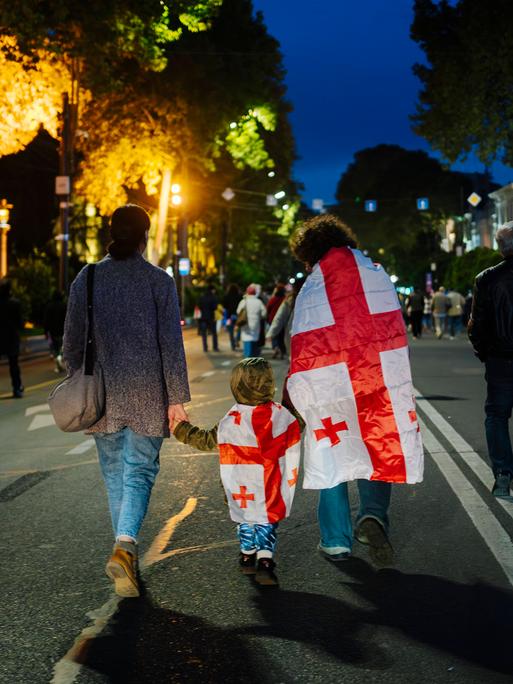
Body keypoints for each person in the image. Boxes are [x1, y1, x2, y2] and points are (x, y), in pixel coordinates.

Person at [63, 204, 190, 597]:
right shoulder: (158, 281)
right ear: (144, 237)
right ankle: (125, 546)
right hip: (149, 391)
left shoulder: (88, 277)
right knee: (139, 472)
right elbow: (171, 343)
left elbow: (71, 341)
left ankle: (124, 549)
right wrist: (178, 399)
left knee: (115, 474)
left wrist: (76, 379)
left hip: (101, 394)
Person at [286, 215, 423, 565]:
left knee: (330, 449)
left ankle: (335, 540)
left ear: (309, 252)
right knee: (376, 443)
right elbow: (395, 328)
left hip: (331, 384)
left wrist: (298, 393)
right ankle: (373, 515)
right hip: (376, 378)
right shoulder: (375, 273)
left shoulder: (313, 287)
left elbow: (303, 344)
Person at [172, 357, 301, 585]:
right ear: (270, 383)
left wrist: (182, 429)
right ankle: (265, 560)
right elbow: (299, 423)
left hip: (241, 489)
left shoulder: (231, 421)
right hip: (271, 487)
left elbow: (204, 440)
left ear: (236, 387)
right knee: (266, 522)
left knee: (245, 520)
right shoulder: (282, 416)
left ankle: (246, 555)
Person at [468, 222, 513, 498]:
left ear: (500, 248)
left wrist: (484, 352)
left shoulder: (486, 279)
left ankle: (503, 475)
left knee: (497, 416)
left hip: (501, 359)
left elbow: (477, 324)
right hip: (499, 356)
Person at [0, 279, 24, 398]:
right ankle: (16, 388)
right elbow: (20, 322)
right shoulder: (15, 303)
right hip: (12, 337)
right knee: (13, 365)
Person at [237, 285, 266, 358]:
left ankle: (247, 357)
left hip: (245, 324)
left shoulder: (243, 301)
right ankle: (253, 357)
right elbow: (264, 313)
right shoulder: (259, 302)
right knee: (254, 341)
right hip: (256, 324)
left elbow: (238, 311)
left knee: (247, 340)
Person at [44, 290, 67, 372]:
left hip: (53, 331)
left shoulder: (49, 306)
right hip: (62, 331)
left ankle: (58, 362)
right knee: (62, 347)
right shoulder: (64, 306)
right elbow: (67, 319)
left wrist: (46, 331)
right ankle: (59, 360)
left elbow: (46, 320)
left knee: (55, 348)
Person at [267, 284, 287, 358]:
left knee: (274, 335)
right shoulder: (285, 299)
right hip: (283, 321)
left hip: (273, 319)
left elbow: (268, 308)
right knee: (281, 336)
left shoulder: (273, 299)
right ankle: (282, 350)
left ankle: (275, 348)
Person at [198, 285, 219, 352]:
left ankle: (205, 347)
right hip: (211, 317)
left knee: (204, 334)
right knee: (214, 333)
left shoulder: (202, 297)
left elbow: (199, 306)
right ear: (212, 290)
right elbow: (215, 307)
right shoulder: (213, 297)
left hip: (203, 317)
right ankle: (215, 347)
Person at [223, 283, 241, 351]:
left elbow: (224, 306)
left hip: (229, 316)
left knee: (230, 331)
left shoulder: (226, 296)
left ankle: (233, 345)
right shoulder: (239, 296)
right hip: (238, 315)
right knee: (239, 329)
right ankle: (237, 339)